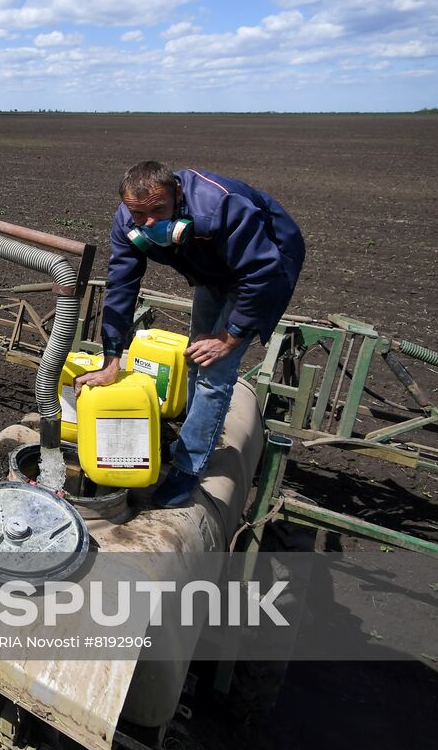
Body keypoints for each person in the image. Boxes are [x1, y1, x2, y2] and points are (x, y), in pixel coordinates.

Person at [75, 161, 305, 508]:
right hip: (211, 269)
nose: (148, 223)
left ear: (178, 194)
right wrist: (111, 360)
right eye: (138, 214)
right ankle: (193, 438)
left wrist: (230, 338)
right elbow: (122, 285)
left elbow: (263, 273)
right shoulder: (127, 221)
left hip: (264, 268)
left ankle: (188, 466)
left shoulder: (220, 207)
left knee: (215, 370)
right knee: (195, 357)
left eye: (158, 210)